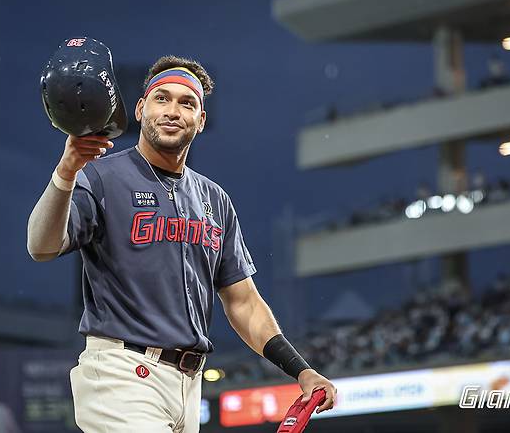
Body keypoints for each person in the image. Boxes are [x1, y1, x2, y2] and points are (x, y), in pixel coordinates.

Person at [27, 55, 336, 432]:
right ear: (140, 109)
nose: (173, 110)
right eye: (162, 98)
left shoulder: (214, 199)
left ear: (200, 121)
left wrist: (301, 371)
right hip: (122, 373)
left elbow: (243, 303)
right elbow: (41, 246)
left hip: (189, 387)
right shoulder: (101, 177)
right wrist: (65, 172)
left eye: (186, 103)